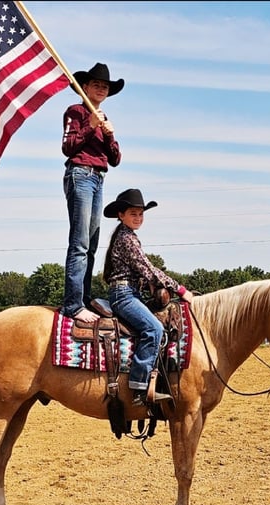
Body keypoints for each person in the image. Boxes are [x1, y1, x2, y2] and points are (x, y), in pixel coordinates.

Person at [102, 188, 195, 407]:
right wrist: (180, 289)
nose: (138, 218)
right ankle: (139, 386)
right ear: (121, 215)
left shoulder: (127, 236)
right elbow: (148, 269)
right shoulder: (127, 239)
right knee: (154, 329)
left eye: (141, 214)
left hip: (129, 292)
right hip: (124, 295)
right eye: (133, 213)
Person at [61, 62, 123, 323]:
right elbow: (68, 146)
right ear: (84, 87)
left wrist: (109, 135)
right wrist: (91, 125)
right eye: (96, 84)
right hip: (80, 173)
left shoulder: (105, 119)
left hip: (98, 178)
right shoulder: (75, 111)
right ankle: (73, 304)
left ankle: (84, 298)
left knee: (92, 244)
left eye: (105, 86)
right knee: (80, 243)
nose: (101, 88)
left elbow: (116, 159)